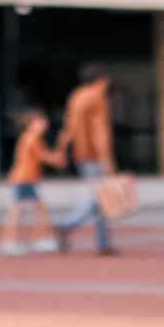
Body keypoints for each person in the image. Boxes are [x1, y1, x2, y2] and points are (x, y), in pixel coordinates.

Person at [51, 63, 119, 256]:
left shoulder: (76, 96)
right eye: (106, 82)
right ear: (100, 80)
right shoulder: (97, 98)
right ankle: (67, 224)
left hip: (80, 154)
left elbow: (68, 128)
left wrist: (62, 151)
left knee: (99, 198)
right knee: (99, 197)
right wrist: (107, 159)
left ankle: (104, 243)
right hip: (94, 156)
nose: (107, 86)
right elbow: (100, 131)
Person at [0, 107, 61, 255]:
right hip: (24, 178)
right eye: (40, 121)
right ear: (31, 123)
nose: (44, 124)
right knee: (17, 210)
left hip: (27, 178)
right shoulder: (32, 137)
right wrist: (56, 158)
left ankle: (37, 240)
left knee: (38, 208)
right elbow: (42, 156)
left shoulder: (29, 137)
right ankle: (9, 243)